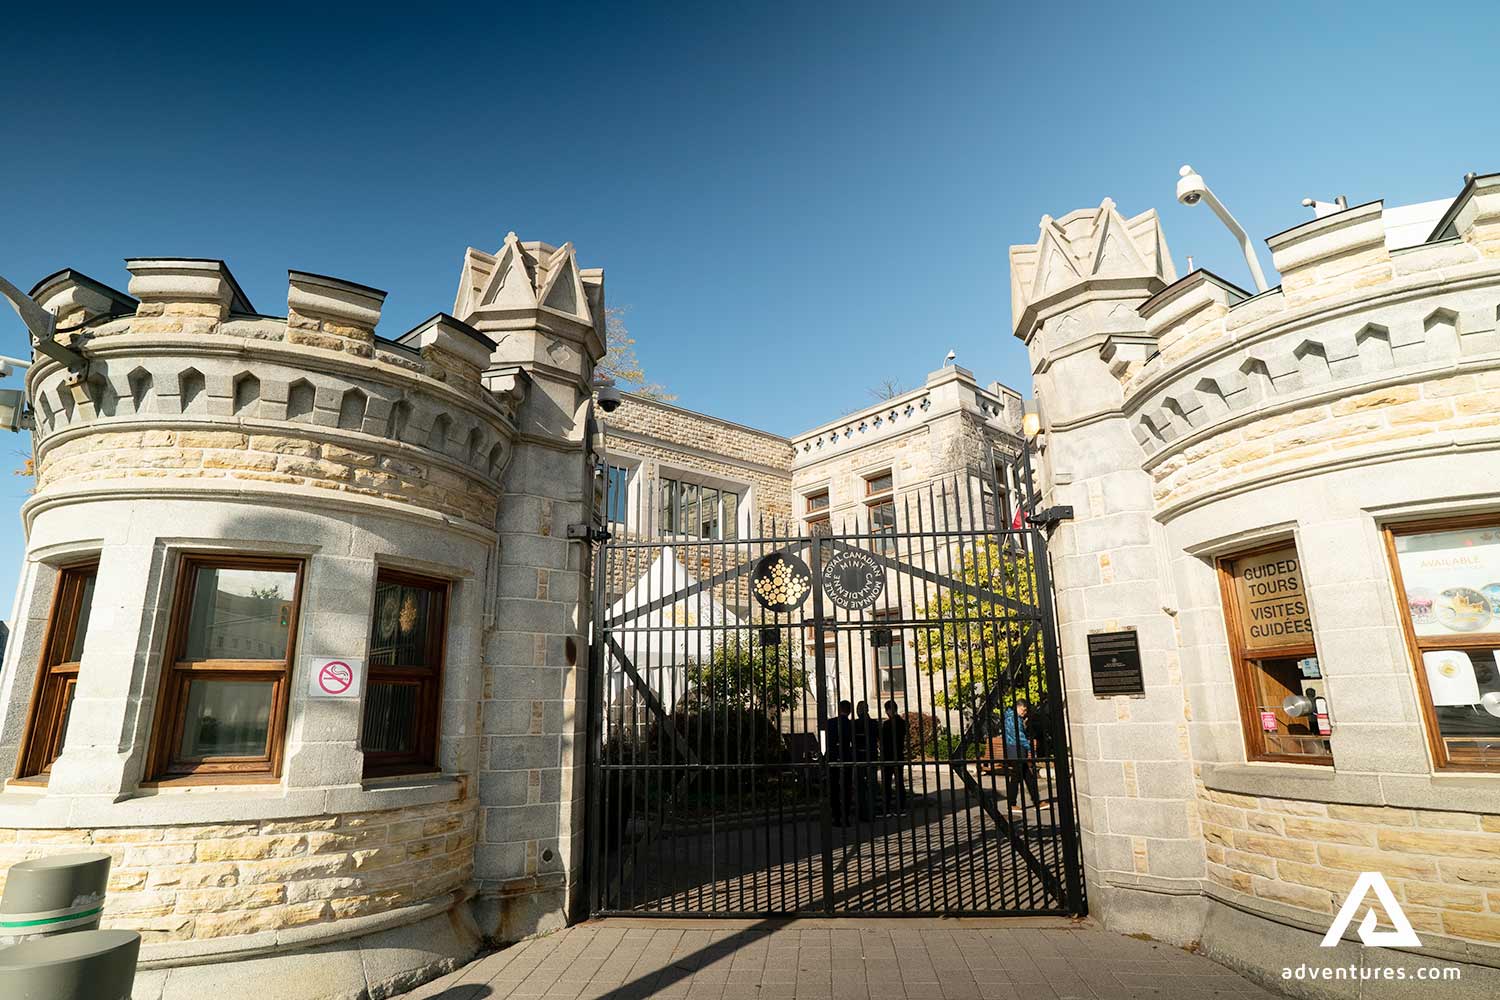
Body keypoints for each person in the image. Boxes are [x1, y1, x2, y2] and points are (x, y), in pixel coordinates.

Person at [1001, 698, 1041, 815]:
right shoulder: (1013, 718)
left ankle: (1036, 801)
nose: (1024, 713)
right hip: (1016, 750)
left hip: (1015, 749)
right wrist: (1029, 747)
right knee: (1017, 777)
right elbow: (1018, 735)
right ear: (1018, 707)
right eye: (1023, 710)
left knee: (1026, 776)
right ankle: (1012, 804)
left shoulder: (1013, 717)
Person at [821, 700, 855, 825]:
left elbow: (826, 740)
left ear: (839, 709)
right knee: (847, 786)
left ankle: (836, 815)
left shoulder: (830, 723)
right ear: (849, 711)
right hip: (846, 756)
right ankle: (845, 816)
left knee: (834, 786)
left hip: (833, 756)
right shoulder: (851, 724)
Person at [879, 700, 908, 814]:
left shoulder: (887, 724)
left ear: (889, 710)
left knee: (887, 783)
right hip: (899, 754)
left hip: (888, 756)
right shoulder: (902, 722)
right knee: (899, 782)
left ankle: (887, 807)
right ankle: (901, 807)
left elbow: (883, 739)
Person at [853, 701, 879, 822]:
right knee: (872, 785)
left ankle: (862, 811)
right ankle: (871, 811)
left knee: (860, 786)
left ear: (858, 711)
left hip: (859, 757)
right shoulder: (874, 723)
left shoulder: (855, 724)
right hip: (871, 756)